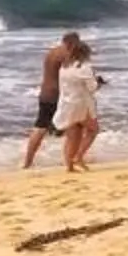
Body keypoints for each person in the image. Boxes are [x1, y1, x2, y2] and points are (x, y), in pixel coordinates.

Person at [23, 33, 80, 170]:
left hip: (45, 94)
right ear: (72, 43)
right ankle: (70, 163)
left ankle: (27, 162)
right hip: (58, 96)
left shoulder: (52, 52)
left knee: (40, 128)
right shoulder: (67, 55)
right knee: (74, 129)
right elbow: (71, 77)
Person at [54, 30, 102, 171]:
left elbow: (63, 87)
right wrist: (99, 83)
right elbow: (92, 88)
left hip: (67, 104)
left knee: (72, 136)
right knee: (93, 130)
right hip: (82, 105)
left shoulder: (64, 67)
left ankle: (69, 166)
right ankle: (78, 157)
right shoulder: (85, 68)